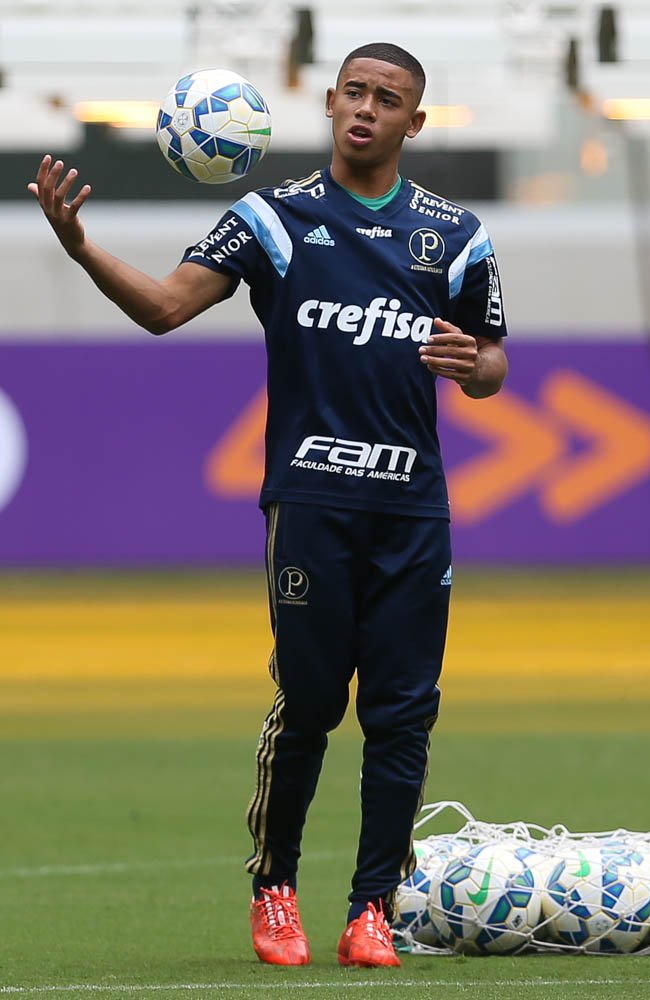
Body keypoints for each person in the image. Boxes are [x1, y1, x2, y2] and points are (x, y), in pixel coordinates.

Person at [28, 41, 508, 968]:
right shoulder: (273, 218)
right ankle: (276, 888)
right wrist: (82, 246)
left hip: (412, 508)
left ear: (416, 122)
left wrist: (472, 364)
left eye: (389, 99)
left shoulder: (456, 235)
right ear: (328, 104)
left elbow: (490, 359)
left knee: (404, 713)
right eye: (355, 93)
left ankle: (373, 908)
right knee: (311, 704)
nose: (367, 109)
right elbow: (166, 308)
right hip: (311, 502)